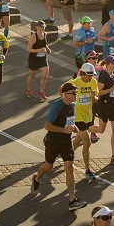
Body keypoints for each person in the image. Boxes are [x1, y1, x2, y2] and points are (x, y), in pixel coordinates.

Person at [30, 81, 86, 211]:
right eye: (74, 93)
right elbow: (47, 126)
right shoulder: (57, 106)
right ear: (66, 95)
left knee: (69, 167)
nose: (76, 95)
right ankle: (37, 178)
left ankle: (72, 200)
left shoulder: (72, 105)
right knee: (48, 166)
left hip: (66, 142)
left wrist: (74, 128)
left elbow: (69, 122)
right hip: (53, 141)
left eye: (76, 93)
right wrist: (64, 130)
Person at [94, 54, 114, 166]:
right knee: (101, 129)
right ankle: (83, 129)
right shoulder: (103, 75)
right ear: (107, 65)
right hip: (104, 105)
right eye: (113, 63)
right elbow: (99, 92)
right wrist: (112, 89)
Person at [71, 62, 101, 182]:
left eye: (92, 75)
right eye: (89, 75)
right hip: (77, 116)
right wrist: (68, 104)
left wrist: (94, 97)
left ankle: (67, 154)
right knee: (87, 142)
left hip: (88, 116)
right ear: (82, 74)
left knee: (78, 139)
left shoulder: (93, 82)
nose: (91, 77)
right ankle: (88, 171)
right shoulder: (75, 82)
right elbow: (61, 90)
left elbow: (96, 99)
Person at [25, 20, 52, 101]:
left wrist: (47, 49)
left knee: (45, 75)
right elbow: (29, 49)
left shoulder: (45, 34)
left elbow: (44, 44)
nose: (41, 28)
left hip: (43, 58)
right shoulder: (33, 37)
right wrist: (38, 50)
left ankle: (41, 91)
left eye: (43, 27)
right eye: (40, 26)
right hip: (33, 59)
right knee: (32, 75)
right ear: (36, 27)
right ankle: (29, 90)